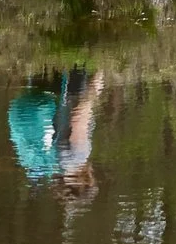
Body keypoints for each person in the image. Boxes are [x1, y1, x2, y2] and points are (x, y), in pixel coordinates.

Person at [8, 68, 104, 198]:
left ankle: (79, 58)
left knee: (80, 88)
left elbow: (80, 114)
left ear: (87, 179)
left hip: (45, 103)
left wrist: (97, 83)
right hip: (20, 106)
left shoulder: (78, 157)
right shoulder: (46, 167)